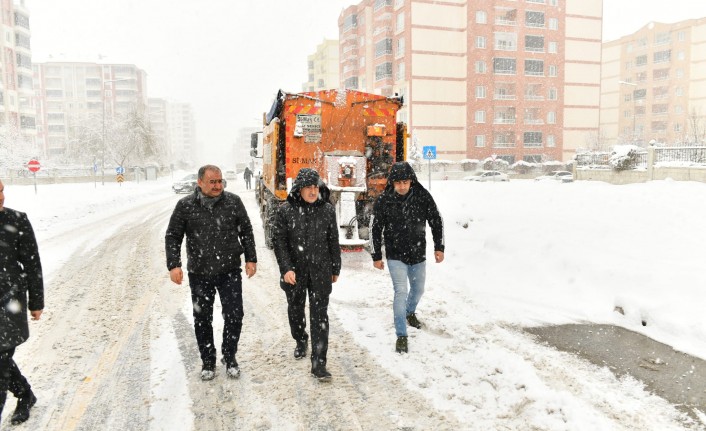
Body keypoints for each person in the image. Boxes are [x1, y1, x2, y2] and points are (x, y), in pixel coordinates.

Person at [165, 165, 257, 381]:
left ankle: (229, 355)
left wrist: (251, 258)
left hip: (229, 271)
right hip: (200, 272)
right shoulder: (185, 205)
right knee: (202, 318)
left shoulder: (233, 202)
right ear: (200, 182)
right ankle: (208, 361)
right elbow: (173, 236)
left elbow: (246, 230)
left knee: (235, 315)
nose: (218, 186)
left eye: (220, 181)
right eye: (212, 182)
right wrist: (174, 265)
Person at [273, 168, 341, 381]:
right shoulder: (285, 211)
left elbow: (333, 240)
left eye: (316, 187)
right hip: (295, 271)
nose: (313, 191)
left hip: (320, 270)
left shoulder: (327, 210)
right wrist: (286, 268)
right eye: (308, 188)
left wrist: (335, 267)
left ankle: (319, 364)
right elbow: (279, 242)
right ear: (299, 189)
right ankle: (301, 339)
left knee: (320, 316)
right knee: (295, 309)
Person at [370, 162, 445, 354]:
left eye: (405, 182)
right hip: (395, 255)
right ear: (392, 183)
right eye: (398, 182)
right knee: (400, 292)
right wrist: (376, 255)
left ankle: (409, 312)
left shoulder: (422, 196)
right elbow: (375, 228)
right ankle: (401, 335)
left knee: (418, 289)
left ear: (411, 181)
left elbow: (437, 220)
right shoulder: (384, 200)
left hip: (418, 253)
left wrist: (439, 247)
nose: (402, 186)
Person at [0, 179, 44, 425]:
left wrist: (36, 301)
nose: (1, 197)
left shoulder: (16, 220)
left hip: (9, 303)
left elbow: (31, 263)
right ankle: (24, 394)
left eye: (2, 190)